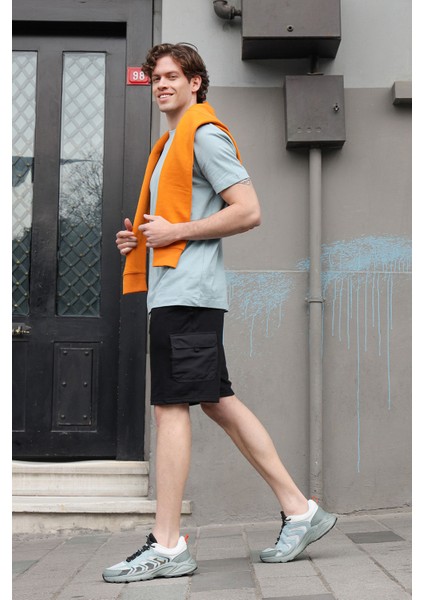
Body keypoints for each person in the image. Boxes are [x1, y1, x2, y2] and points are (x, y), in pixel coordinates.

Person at [102, 43, 336, 584]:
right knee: (217, 401)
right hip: (182, 294)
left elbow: (248, 210)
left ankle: (167, 545)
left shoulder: (203, 135)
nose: (162, 84)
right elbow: (180, 220)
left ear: (196, 83)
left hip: (187, 298)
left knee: (170, 409)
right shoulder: (169, 144)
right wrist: (143, 239)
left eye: (172, 76)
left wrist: (175, 232)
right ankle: (300, 509)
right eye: (156, 77)